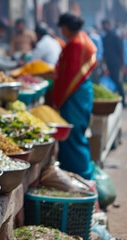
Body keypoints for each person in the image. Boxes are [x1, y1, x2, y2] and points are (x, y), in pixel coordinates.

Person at [54, 13, 97, 180]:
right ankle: (78, 179)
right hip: (81, 93)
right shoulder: (83, 38)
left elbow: (67, 77)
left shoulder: (75, 44)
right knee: (76, 136)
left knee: (73, 138)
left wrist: (57, 100)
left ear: (65, 27)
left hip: (74, 96)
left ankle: (83, 180)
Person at [101, 19, 125, 107]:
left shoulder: (115, 37)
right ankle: (115, 99)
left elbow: (121, 52)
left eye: (104, 25)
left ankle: (122, 100)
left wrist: (122, 65)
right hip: (109, 64)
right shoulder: (105, 38)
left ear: (108, 25)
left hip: (115, 63)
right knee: (113, 82)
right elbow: (105, 53)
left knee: (117, 81)